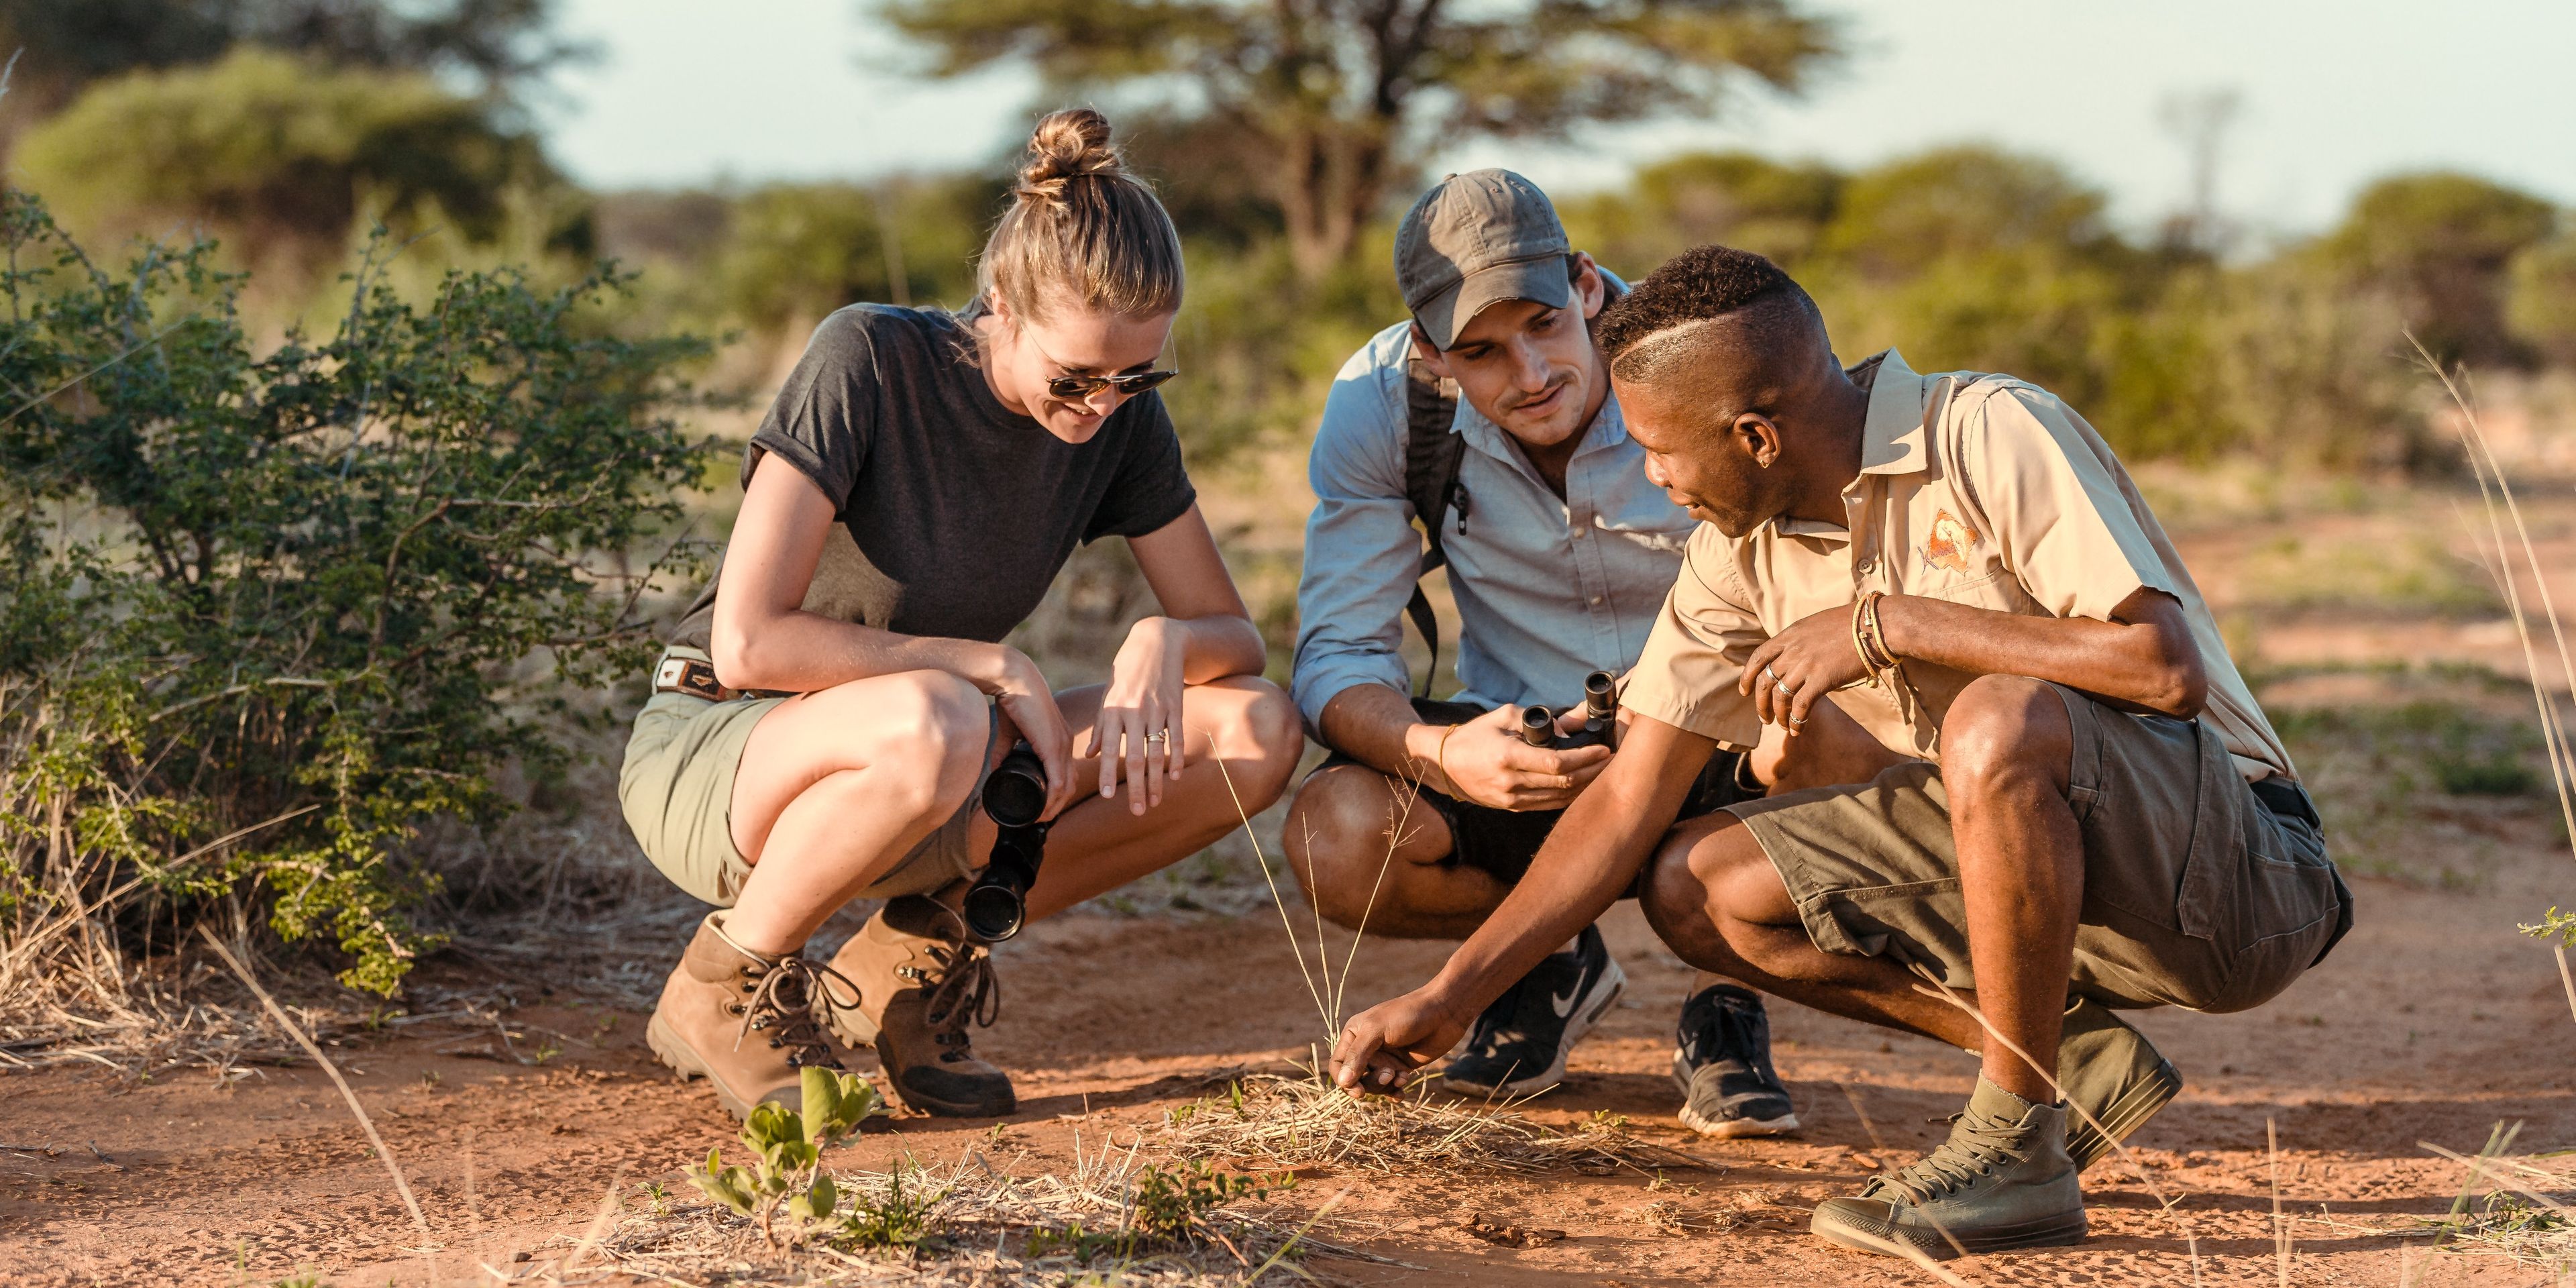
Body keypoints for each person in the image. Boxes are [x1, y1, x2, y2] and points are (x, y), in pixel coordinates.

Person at [1330, 245, 2353, 1260]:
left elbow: (2162, 668)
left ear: (1757, 436)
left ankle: (2015, 1151)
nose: (1651, 474)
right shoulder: (1736, 553)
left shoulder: (1987, 430)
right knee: (1697, 881)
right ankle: (2060, 1063)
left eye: (1659, 449)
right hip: (2042, 873)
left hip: (2237, 880)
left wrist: (1891, 622)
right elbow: (1627, 799)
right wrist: (1448, 999)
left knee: (1996, 719)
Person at [619, 109, 1304, 1122]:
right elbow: (749, 639)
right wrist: (985, 666)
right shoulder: (870, 357)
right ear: (1001, 307)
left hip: (925, 758)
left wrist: (1162, 641)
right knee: (939, 714)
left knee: (1258, 726)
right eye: (1075, 378)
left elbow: (1236, 640)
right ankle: (722, 984)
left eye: (1137, 378)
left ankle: (909, 960)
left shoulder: (1120, 424)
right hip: (722, 745)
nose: (1102, 407)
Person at [1287, 170, 1796, 1138]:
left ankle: (1725, 997)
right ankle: (1552, 964)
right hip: (1528, 754)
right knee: (1336, 832)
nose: (1528, 374)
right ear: (1433, 354)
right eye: (1480, 351)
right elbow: (1336, 659)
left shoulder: (1705, 358)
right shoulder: (1384, 405)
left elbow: (1828, 585)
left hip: (1729, 748)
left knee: (1826, 752)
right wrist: (1447, 753)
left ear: (1591, 287)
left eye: (1545, 326)